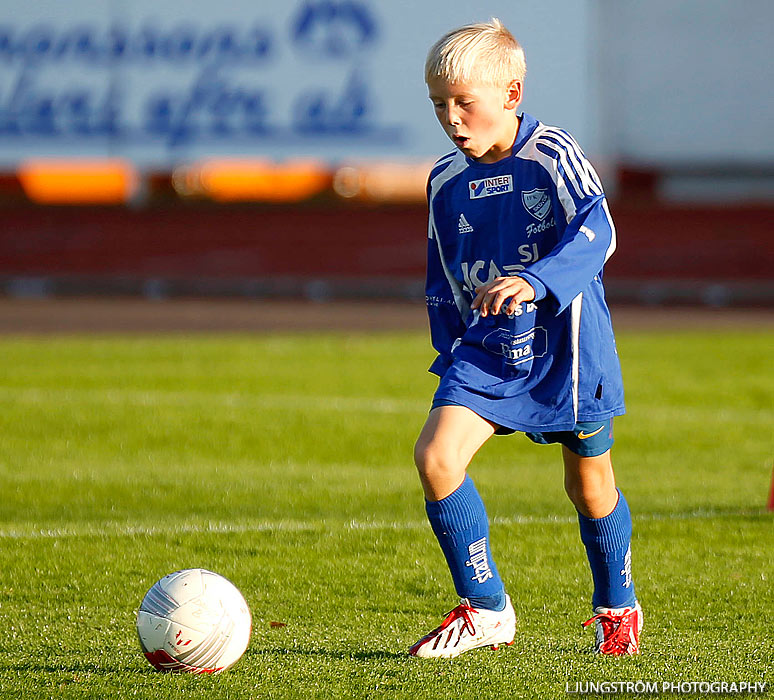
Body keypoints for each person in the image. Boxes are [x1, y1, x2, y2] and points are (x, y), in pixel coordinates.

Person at [409, 18, 641, 658]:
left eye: (464, 103)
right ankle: (486, 609)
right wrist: (449, 343)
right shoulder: (442, 181)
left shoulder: (553, 156)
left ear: (511, 95)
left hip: (566, 347)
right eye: (438, 105)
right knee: (436, 458)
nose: (451, 118)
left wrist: (535, 281)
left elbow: (601, 233)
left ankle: (617, 604)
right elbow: (443, 273)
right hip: (486, 349)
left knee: (590, 485)